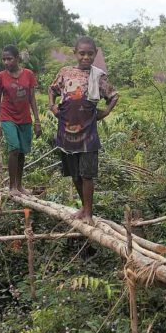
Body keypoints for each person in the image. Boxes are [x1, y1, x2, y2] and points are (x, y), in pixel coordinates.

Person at [48, 36, 118, 220]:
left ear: (95, 54)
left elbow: (114, 96)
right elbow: (52, 89)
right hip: (66, 132)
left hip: (88, 133)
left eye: (90, 54)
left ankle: (88, 212)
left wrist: (106, 111)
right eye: (82, 53)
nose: (85, 57)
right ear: (75, 53)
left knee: (87, 174)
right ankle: (83, 208)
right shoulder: (65, 72)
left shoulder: (99, 76)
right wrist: (52, 106)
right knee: (74, 173)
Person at [0, 45, 41, 193]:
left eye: (9, 59)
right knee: (14, 148)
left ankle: (19, 185)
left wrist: (37, 121)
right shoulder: (0, 77)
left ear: (17, 58)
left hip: (25, 118)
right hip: (7, 116)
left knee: (21, 151)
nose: (6, 62)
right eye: (4, 59)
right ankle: (12, 186)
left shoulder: (28, 74)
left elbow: (32, 98)